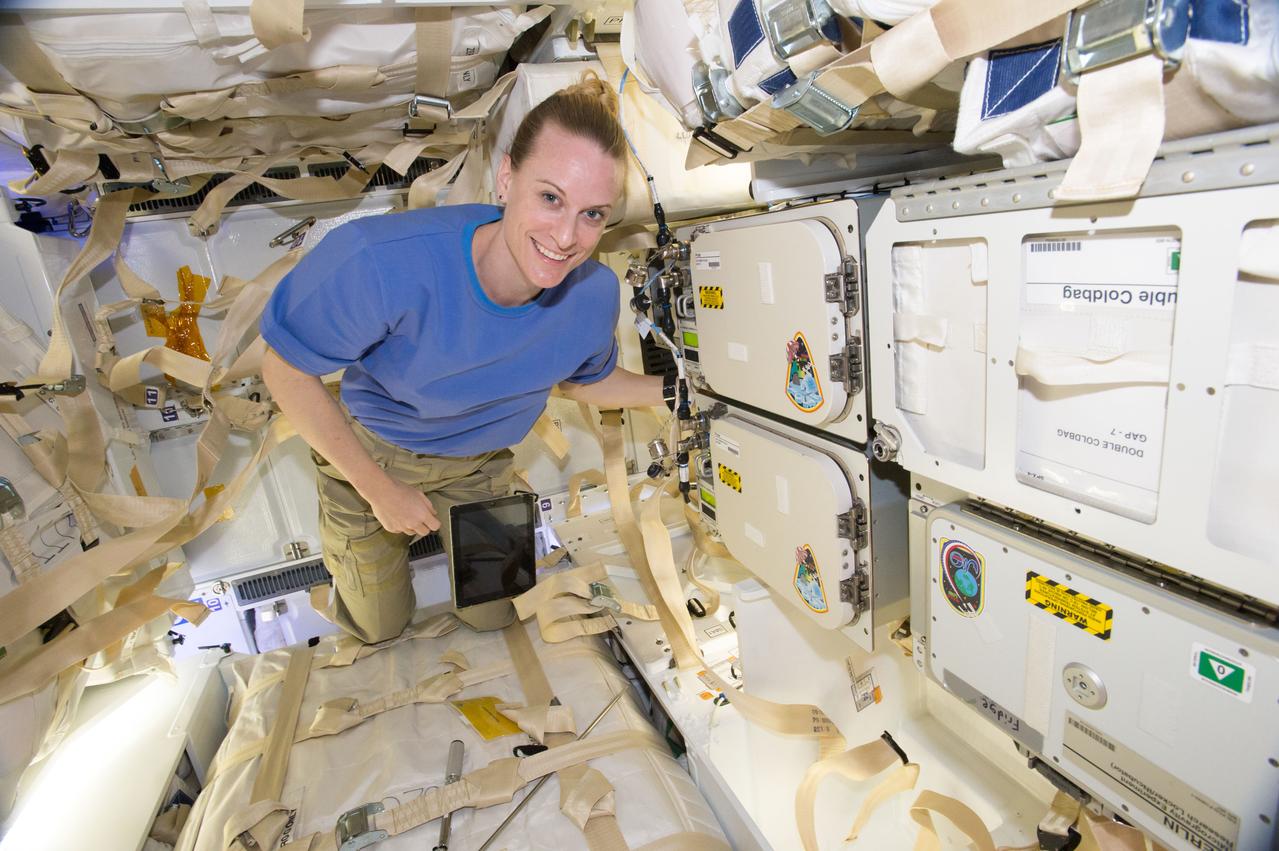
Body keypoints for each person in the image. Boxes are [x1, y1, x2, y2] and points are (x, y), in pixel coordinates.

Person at [260, 74, 667, 642]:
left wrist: (681, 390)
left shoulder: (592, 293)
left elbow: (585, 380)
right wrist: (378, 490)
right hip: (377, 456)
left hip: (481, 468)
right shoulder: (382, 262)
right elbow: (284, 369)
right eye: (551, 198)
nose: (567, 236)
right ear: (507, 179)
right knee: (380, 629)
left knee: (496, 618)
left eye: (593, 214)